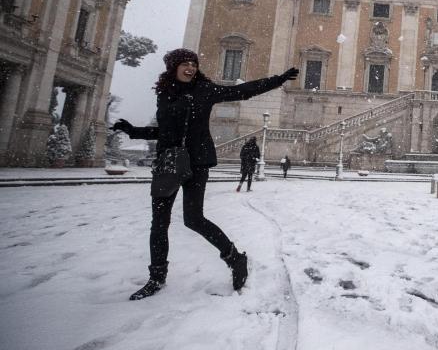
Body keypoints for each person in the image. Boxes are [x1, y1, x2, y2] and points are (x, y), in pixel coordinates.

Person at [112, 48, 298, 300]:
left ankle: (235, 258)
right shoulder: (165, 93)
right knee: (159, 223)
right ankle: (156, 277)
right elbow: (165, 132)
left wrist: (278, 80)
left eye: (193, 64)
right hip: (169, 161)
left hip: (196, 162)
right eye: (185, 64)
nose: (190, 68)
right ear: (173, 67)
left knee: (194, 219)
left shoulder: (205, 90)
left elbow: (243, 91)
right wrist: (134, 131)